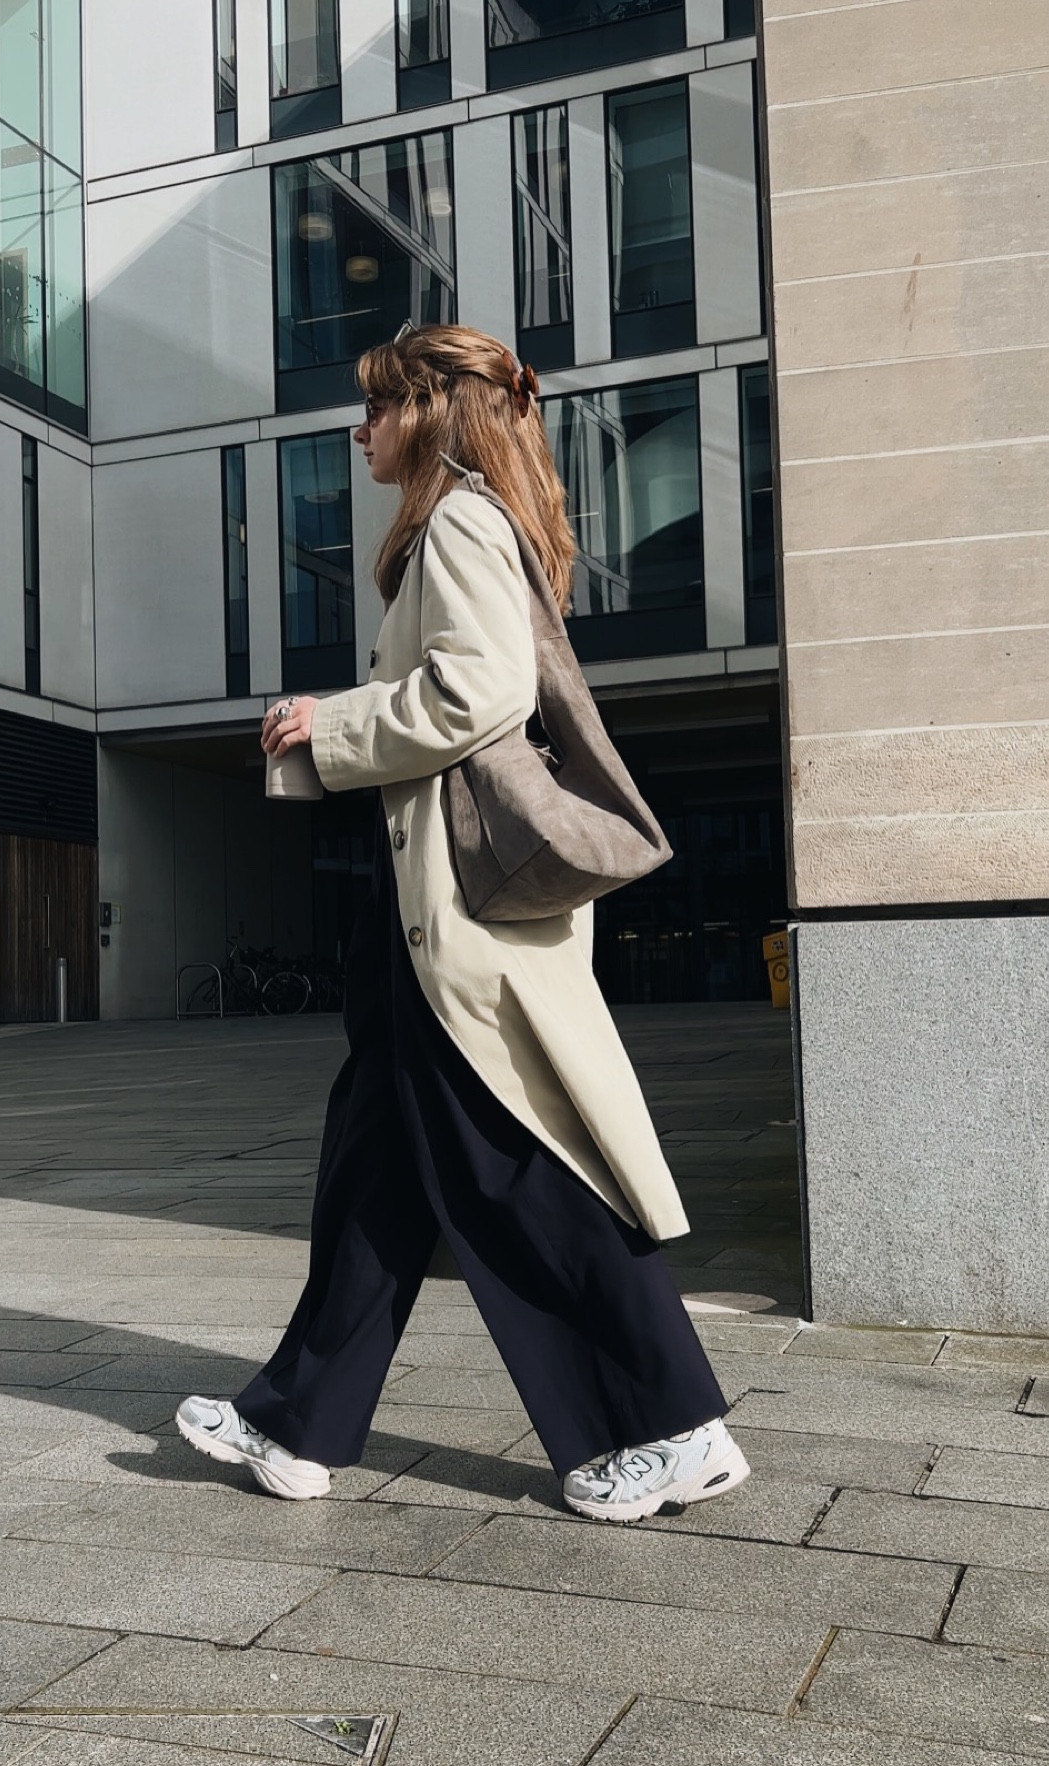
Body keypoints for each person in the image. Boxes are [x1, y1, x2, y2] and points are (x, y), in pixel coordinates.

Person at [176, 324, 749, 1523]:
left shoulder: (461, 522)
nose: (359, 429)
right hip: (421, 914)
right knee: (374, 1170)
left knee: (515, 1169)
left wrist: (330, 724)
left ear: (429, 413)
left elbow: (476, 693)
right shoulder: (459, 527)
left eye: (375, 408)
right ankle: (296, 1420)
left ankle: (671, 1423)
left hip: (458, 921)